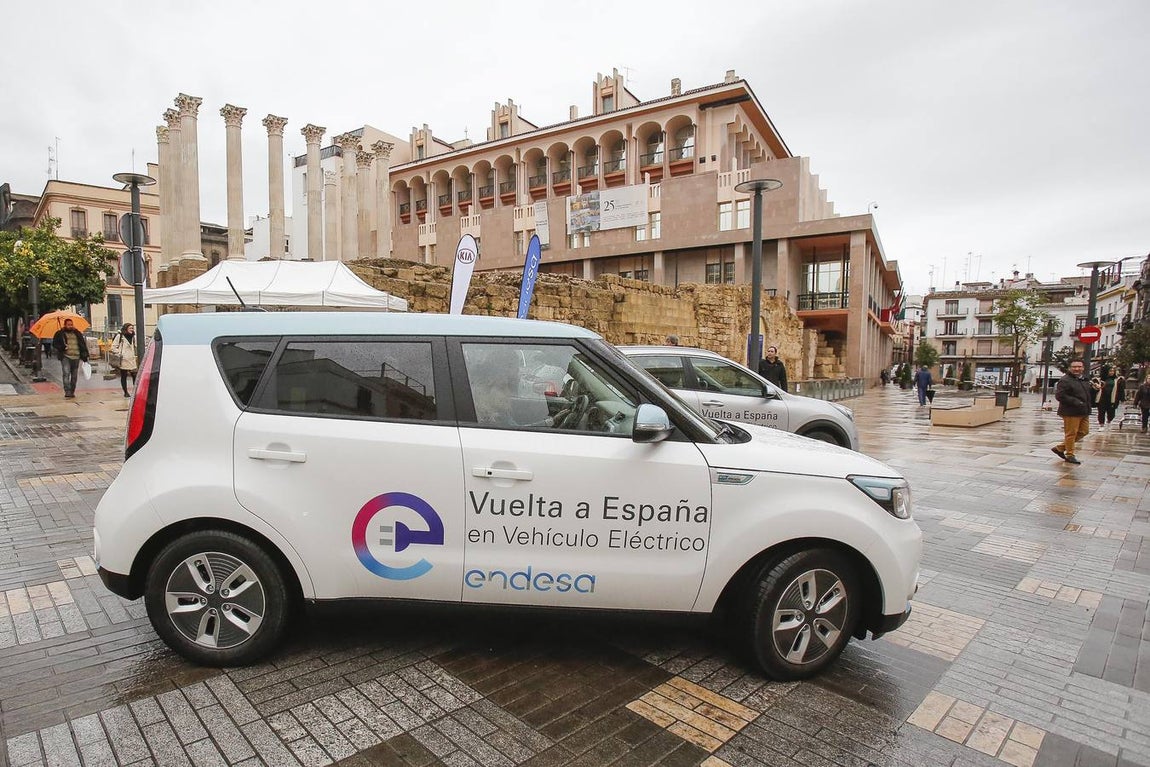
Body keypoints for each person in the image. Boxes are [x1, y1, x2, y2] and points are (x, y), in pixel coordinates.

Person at [1052, 359, 1092, 465]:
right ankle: (1070, 454)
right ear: (1070, 368)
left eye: (1079, 367)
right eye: (1074, 367)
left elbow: (1086, 394)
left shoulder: (1083, 379)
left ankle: (1060, 448)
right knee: (1071, 433)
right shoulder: (1065, 380)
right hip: (1070, 411)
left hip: (1083, 411)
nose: (1077, 369)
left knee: (1084, 431)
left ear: (1083, 368)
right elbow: (1060, 395)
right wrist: (1076, 402)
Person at [51, 318, 89, 399]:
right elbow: (54, 344)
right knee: (66, 373)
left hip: (76, 356)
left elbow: (82, 344)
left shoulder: (77, 333)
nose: (70, 326)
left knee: (74, 376)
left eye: (71, 324)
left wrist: (85, 356)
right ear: (65, 325)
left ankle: (72, 391)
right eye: (68, 325)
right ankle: (67, 391)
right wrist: (62, 347)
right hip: (66, 357)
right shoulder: (60, 334)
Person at [110, 323, 138, 398]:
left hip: (131, 358)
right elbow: (113, 347)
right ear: (126, 329)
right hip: (123, 359)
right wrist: (120, 353)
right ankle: (125, 392)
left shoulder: (133, 337)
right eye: (130, 328)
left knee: (134, 375)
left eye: (132, 328)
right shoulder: (120, 336)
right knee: (124, 376)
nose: (132, 330)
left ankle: (135, 391)